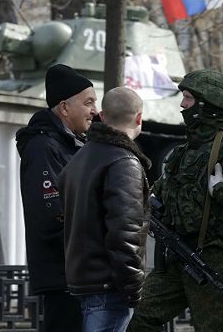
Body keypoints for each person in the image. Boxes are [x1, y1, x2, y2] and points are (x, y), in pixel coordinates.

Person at [128, 70, 223, 332]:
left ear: (207, 104)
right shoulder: (186, 149)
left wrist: (222, 191)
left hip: (216, 261)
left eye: (188, 98)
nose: (182, 104)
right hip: (176, 255)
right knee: (138, 318)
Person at [60, 87, 151, 332]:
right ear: (139, 118)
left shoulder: (79, 158)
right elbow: (125, 232)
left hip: (85, 281)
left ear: (102, 115)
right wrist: (134, 290)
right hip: (110, 287)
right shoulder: (124, 161)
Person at [16, 64, 97, 332]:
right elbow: (53, 214)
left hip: (78, 271)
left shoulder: (70, 144)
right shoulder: (43, 147)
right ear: (64, 108)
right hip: (64, 273)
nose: (94, 111)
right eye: (88, 103)